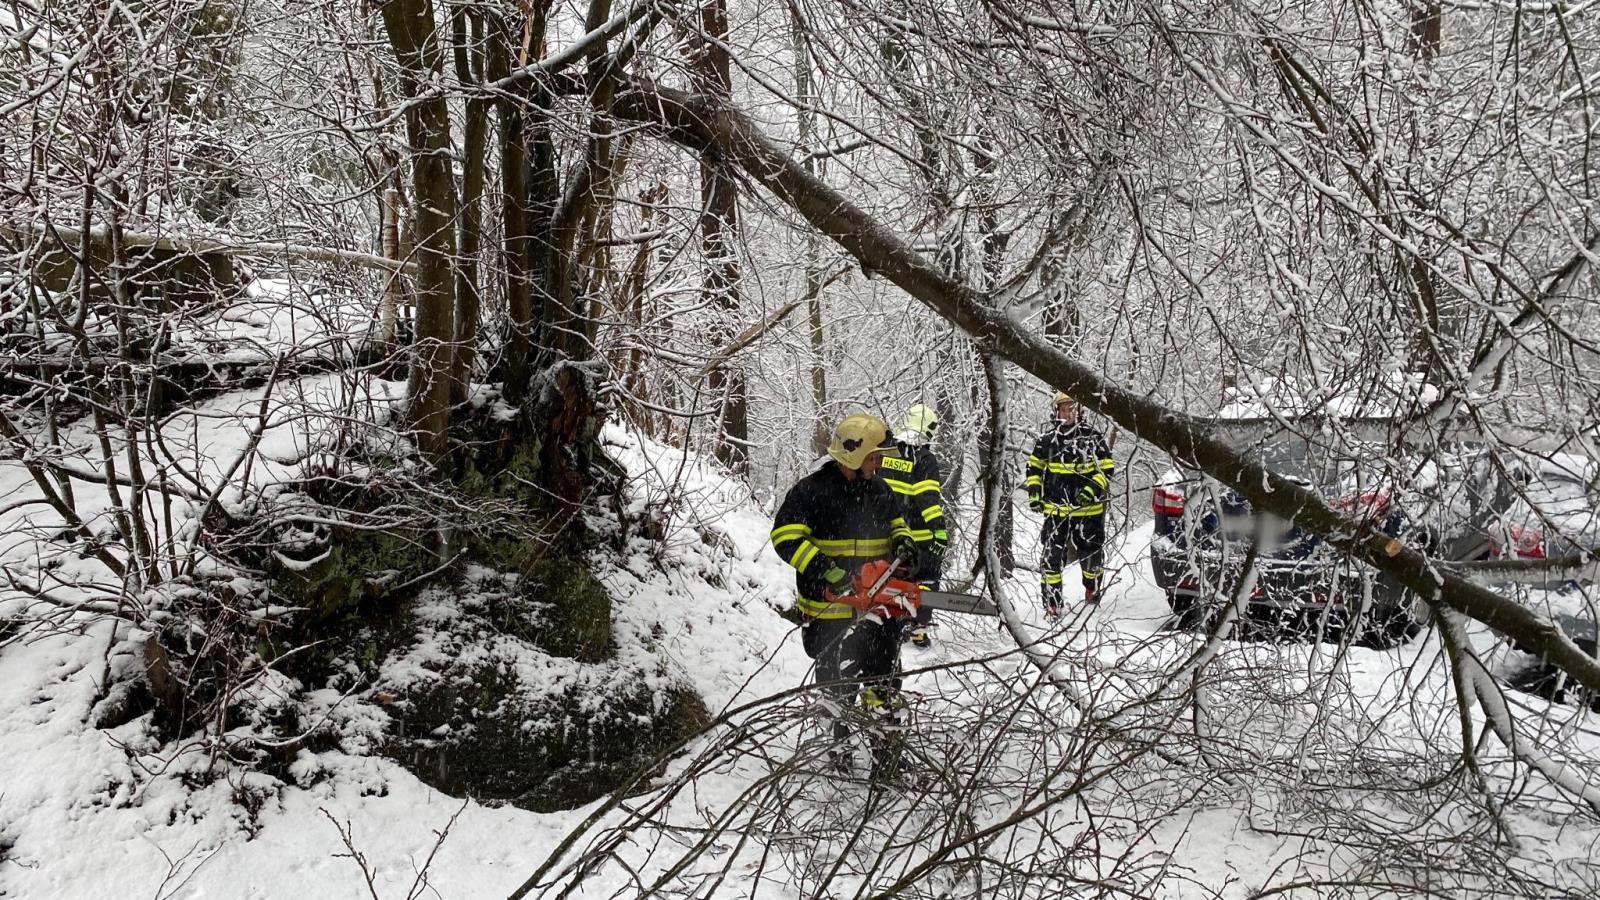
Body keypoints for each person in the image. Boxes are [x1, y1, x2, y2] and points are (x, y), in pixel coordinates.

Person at [771, 413, 918, 775]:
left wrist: (904, 542)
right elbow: (784, 537)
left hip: (876, 610)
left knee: (883, 683)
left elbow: (898, 523)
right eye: (873, 456)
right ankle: (837, 754)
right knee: (836, 689)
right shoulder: (811, 492)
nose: (878, 462)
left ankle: (887, 754)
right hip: (829, 612)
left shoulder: (880, 490)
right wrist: (826, 569)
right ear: (855, 455)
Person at [1025, 391, 1116, 618]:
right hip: (1055, 511)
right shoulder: (1046, 441)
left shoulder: (1093, 438)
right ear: (1056, 412)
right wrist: (1034, 493)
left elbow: (1107, 468)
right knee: (1051, 557)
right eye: (1064, 410)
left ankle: (1092, 588)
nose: (1068, 414)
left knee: (1091, 555)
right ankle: (1052, 603)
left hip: (1089, 512)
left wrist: (1091, 490)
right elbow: (1034, 468)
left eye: (1072, 409)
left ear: (1080, 411)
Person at [879, 403, 947, 648]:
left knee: (890, 579)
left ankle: (892, 622)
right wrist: (939, 531)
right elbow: (927, 499)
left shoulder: (885, 453)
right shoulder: (923, 459)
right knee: (927, 578)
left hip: (888, 534)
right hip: (919, 536)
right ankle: (918, 627)